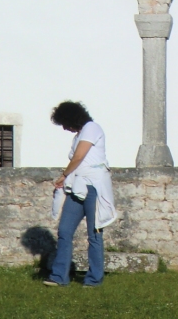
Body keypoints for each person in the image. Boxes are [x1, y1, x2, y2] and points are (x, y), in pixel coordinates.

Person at [44, 101, 117, 287]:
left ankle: (94, 279)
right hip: (78, 185)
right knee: (65, 230)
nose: (65, 128)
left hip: (94, 186)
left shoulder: (92, 128)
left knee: (94, 233)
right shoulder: (78, 136)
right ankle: (59, 276)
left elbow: (79, 157)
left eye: (65, 123)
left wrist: (64, 175)